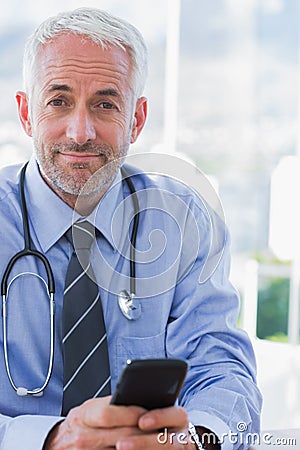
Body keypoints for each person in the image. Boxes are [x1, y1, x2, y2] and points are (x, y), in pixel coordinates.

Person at [0, 7, 262, 450]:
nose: (80, 132)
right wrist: (50, 439)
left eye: (105, 104)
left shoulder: (182, 220)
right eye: (58, 101)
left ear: (136, 120)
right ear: (27, 113)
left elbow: (221, 367)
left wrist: (195, 439)